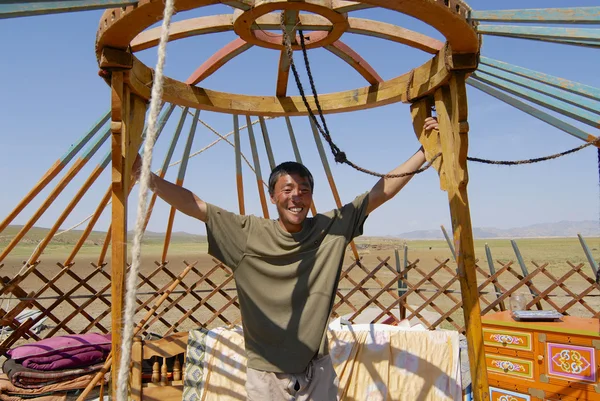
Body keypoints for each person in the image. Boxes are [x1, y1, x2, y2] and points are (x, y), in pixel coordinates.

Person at [134, 117, 439, 401]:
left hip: (317, 369)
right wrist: (144, 176)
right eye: (287, 189)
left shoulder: (329, 229)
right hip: (266, 374)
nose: (296, 196)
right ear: (273, 196)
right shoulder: (247, 234)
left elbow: (379, 193)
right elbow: (195, 204)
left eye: (304, 190)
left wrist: (423, 152)